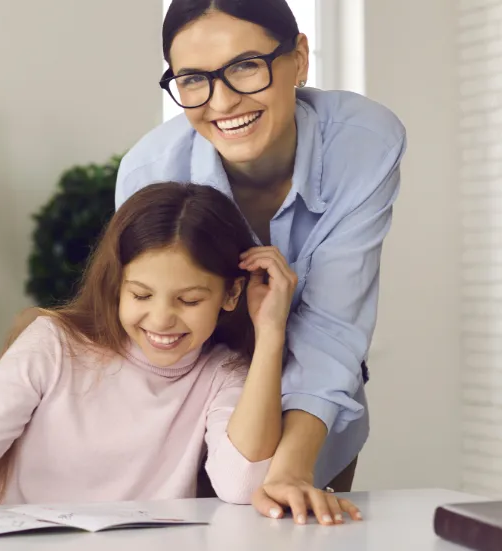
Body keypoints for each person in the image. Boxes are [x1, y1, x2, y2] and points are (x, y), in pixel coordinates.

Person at [0, 183, 360, 523]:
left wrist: (270, 334)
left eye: (189, 300)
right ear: (115, 284)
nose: (160, 320)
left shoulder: (223, 374)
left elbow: (244, 484)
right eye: (140, 295)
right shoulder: (53, 344)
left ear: (230, 294)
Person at [116, 0, 405, 522]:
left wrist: (290, 469)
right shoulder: (150, 171)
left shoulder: (363, 143)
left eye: (246, 66)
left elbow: (332, 328)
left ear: (299, 58)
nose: (222, 101)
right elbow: (156, 334)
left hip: (313, 420)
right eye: (193, 79)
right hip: (192, 421)